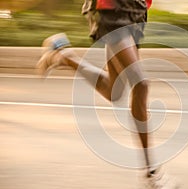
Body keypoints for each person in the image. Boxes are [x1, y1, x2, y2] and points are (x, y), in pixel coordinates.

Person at [37, 0, 179, 188]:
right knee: (141, 84)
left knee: (114, 90)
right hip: (113, 9)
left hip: (134, 11)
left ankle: (63, 56)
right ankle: (151, 173)